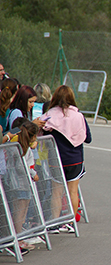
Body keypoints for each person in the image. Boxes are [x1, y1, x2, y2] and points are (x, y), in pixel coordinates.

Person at [42, 85, 92, 233]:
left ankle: (55, 224)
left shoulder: (49, 115)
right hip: (75, 160)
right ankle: (70, 223)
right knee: (72, 191)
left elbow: (41, 134)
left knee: (56, 192)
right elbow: (88, 138)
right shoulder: (78, 116)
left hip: (56, 159)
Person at [9, 118, 40, 253]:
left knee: (18, 212)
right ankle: (17, 239)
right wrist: (33, 174)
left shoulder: (16, 145)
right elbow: (24, 166)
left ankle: (17, 238)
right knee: (19, 214)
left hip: (16, 184)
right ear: (31, 136)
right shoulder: (23, 149)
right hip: (21, 184)